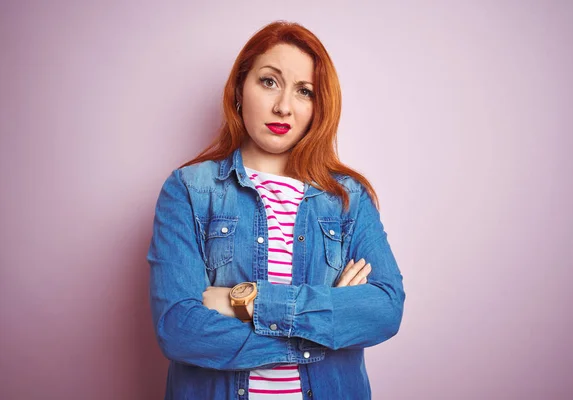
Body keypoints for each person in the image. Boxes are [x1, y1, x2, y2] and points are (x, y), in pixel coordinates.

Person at [148, 20, 406, 400]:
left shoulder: (348, 197)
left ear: (319, 107)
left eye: (305, 91)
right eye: (269, 81)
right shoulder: (189, 189)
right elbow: (179, 328)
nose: (283, 106)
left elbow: (385, 309)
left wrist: (247, 301)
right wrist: (323, 327)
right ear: (240, 88)